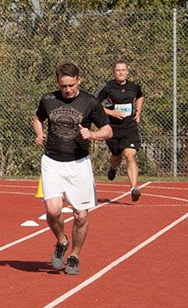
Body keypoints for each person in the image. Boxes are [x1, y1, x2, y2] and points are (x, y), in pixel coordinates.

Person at [32, 63, 112, 275]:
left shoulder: (90, 102)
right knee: (53, 210)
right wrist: (39, 133)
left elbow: (108, 130)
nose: (67, 89)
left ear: (79, 80)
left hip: (79, 164)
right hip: (52, 162)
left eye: (71, 85)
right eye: (63, 85)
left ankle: (75, 255)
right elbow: (37, 118)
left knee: (81, 216)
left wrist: (93, 135)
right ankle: (61, 240)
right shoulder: (48, 99)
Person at [96, 59, 145, 202]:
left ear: (127, 72)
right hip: (112, 128)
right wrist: (111, 113)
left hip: (129, 128)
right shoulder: (107, 87)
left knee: (130, 156)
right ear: (114, 72)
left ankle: (134, 188)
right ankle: (113, 168)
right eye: (118, 70)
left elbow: (140, 97)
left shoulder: (134, 87)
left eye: (123, 70)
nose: (121, 72)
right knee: (116, 157)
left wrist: (138, 111)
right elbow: (94, 104)